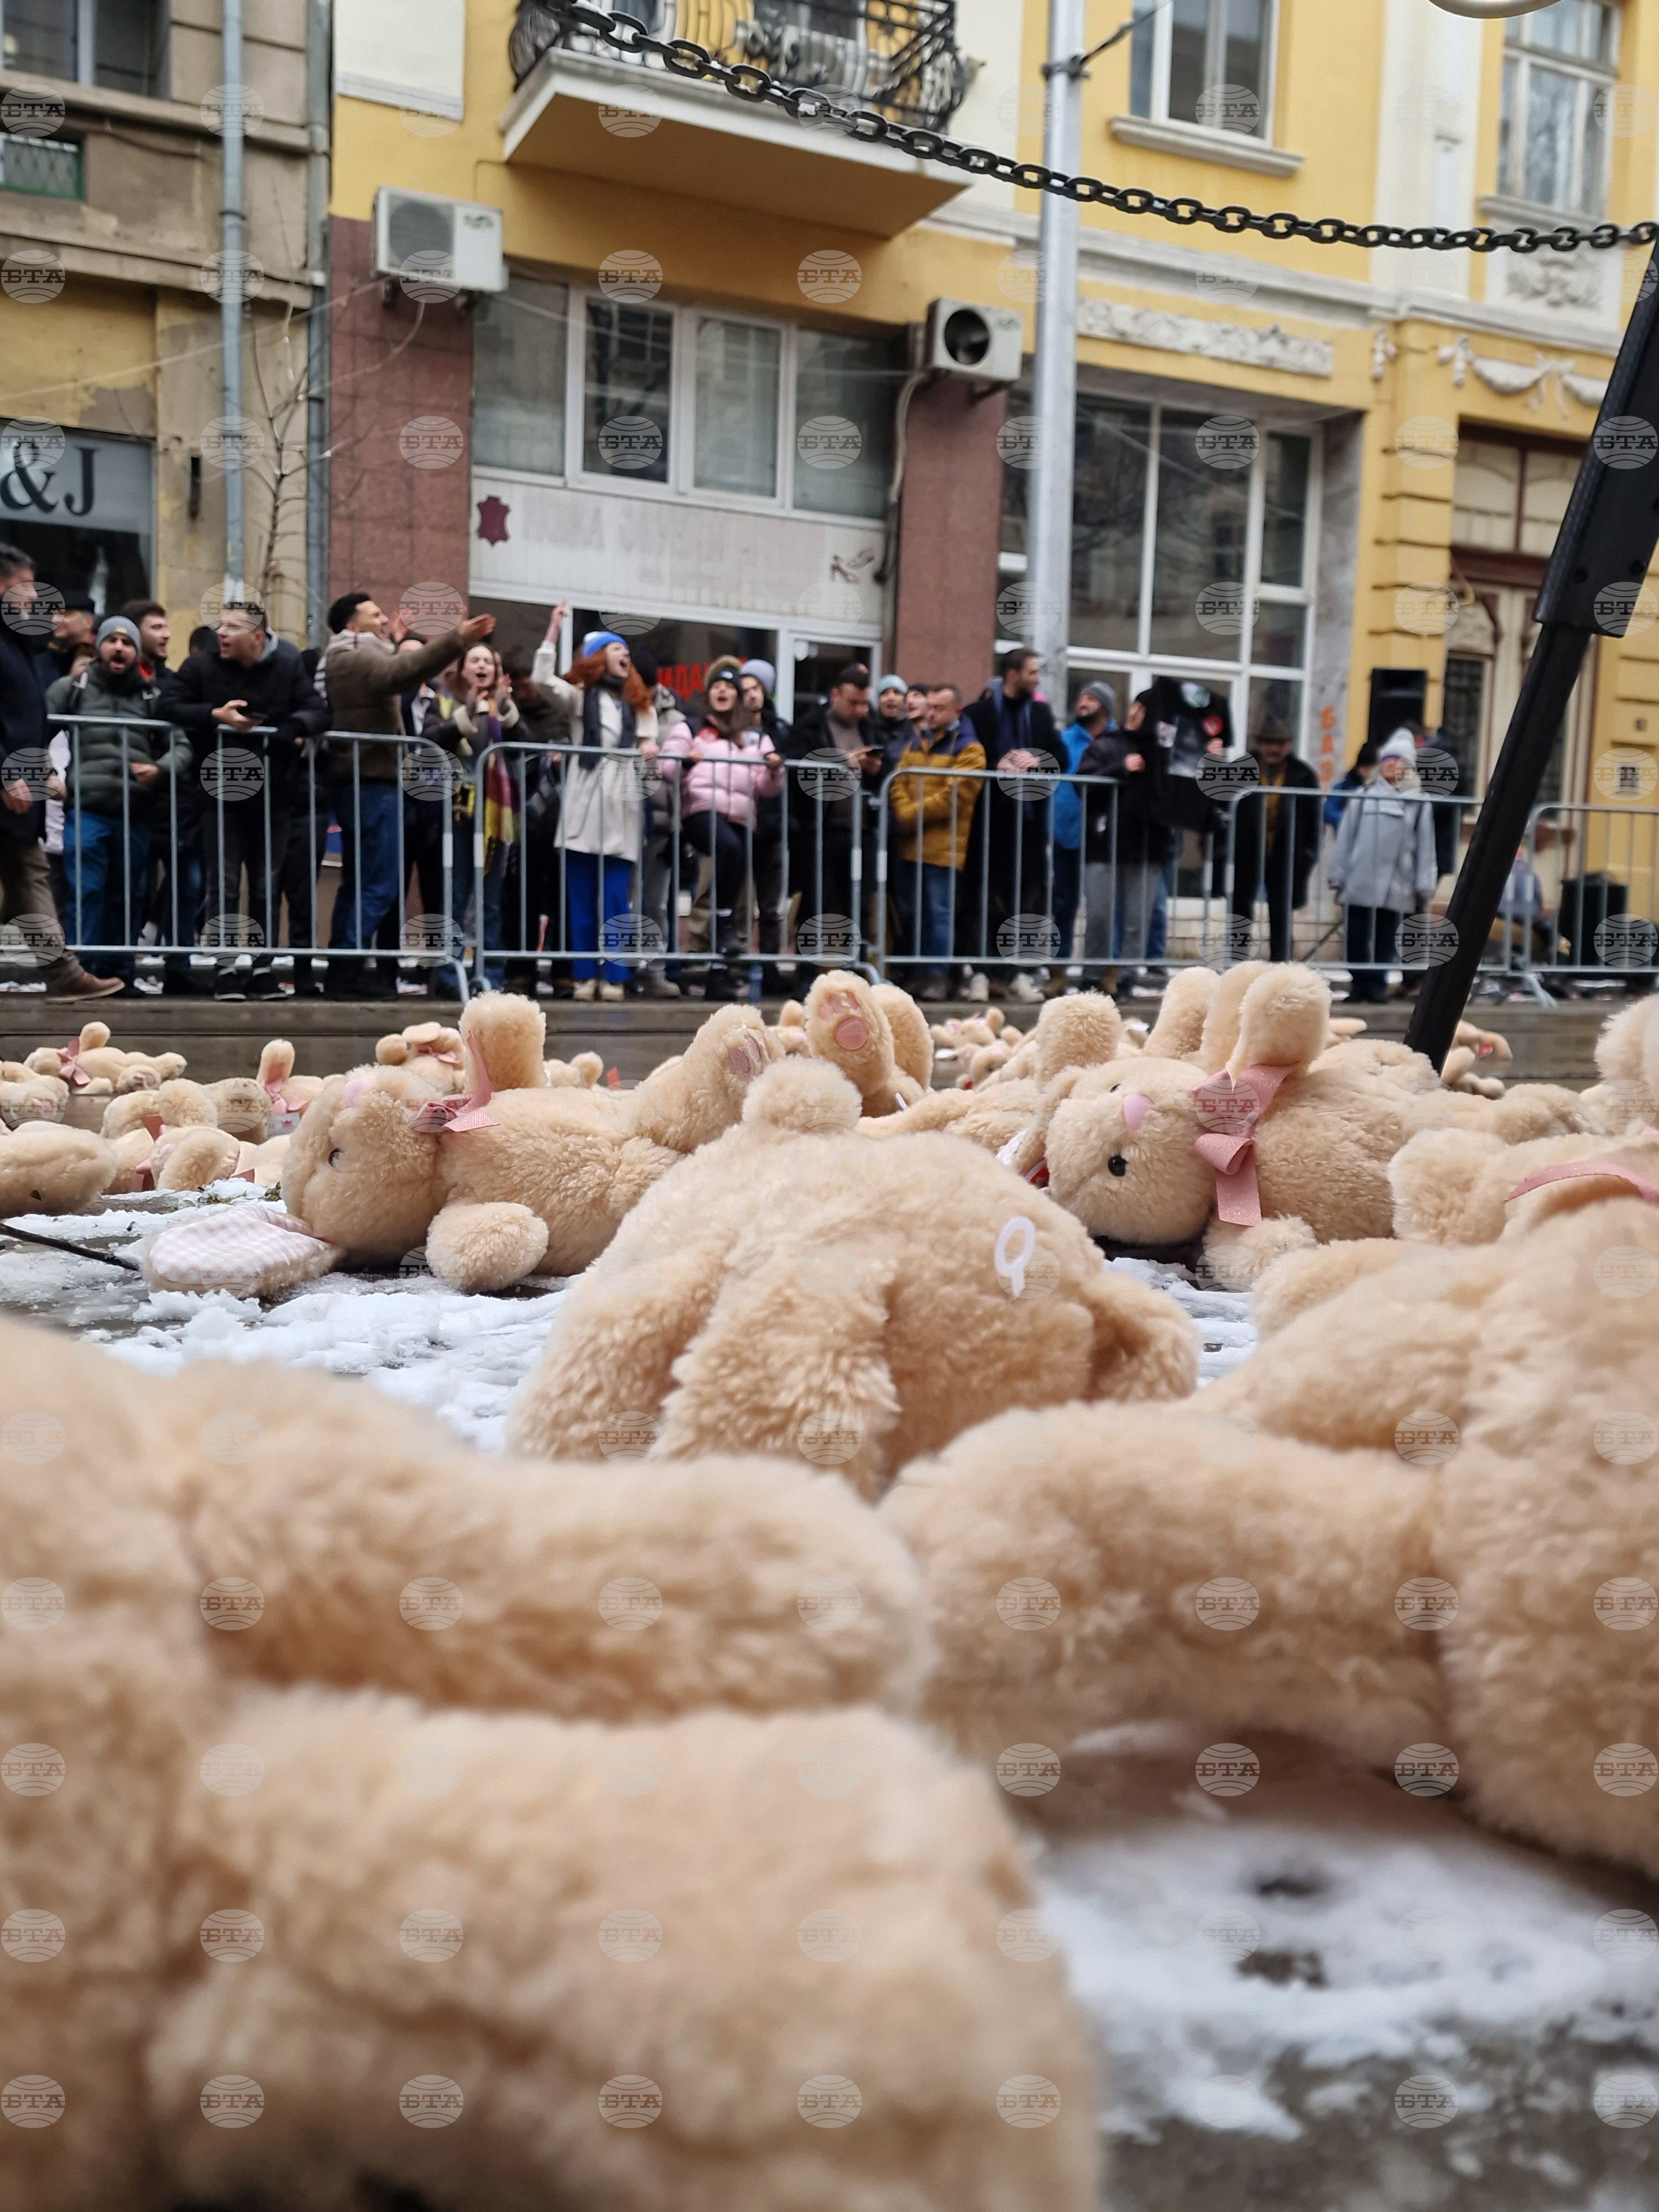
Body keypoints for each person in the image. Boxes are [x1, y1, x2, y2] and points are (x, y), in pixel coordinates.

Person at [158, 597, 331, 999]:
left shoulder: (287, 662)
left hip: (274, 796)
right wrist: (215, 715)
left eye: (232, 628)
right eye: (220, 625)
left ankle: (262, 968)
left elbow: (319, 710)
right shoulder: (201, 665)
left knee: (267, 886)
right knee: (225, 885)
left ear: (257, 637)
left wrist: (292, 726)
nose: (221, 633)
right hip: (217, 795)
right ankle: (225, 969)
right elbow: (169, 703)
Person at [320, 591, 483, 998]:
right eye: (374, 614)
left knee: (360, 883)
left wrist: (392, 641)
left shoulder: (351, 654)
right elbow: (399, 674)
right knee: (379, 884)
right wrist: (456, 639)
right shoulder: (353, 656)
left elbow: (391, 670)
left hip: (369, 781)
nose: (383, 619)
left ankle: (345, 969)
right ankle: (347, 969)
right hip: (373, 783)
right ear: (352, 626)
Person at [0, 545, 123, 997]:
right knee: (26, 878)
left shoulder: (21, 644)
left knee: (27, 877)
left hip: (20, 789)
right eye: (29, 588)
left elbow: (28, 718)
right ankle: (64, 973)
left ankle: (64, 973)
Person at [46, 617, 189, 984]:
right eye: (113, 640)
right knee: (88, 893)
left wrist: (160, 768)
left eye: (128, 642)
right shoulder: (72, 688)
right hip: (88, 810)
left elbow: (183, 746)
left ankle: (120, 975)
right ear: (99, 647)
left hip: (135, 814)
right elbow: (32, 731)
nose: (120, 647)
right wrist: (48, 776)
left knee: (127, 897)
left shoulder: (151, 696)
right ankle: (84, 974)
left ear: (136, 651)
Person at [531, 614, 660, 1002]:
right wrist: (551, 631)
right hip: (583, 807)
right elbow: (541, 680)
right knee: (581, 900)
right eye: (615, 647)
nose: (625, 654)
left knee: (617, 898)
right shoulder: (579, 698)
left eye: (626, 649)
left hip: (622, 808)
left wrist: (647, 755)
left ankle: (617, 976)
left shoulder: (641, 707)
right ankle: (586, 975)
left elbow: (649, 761)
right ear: (597, 657)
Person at [664, 658, 783, 1000]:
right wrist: (687, 760)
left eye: (730, 686)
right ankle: (724, 922)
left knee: (735, 867)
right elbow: (668, 767)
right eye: (717, 685)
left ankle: (719, 975)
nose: (722, 690)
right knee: (730, 851)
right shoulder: (691, 727)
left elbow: (767, 786)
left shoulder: (755, 737)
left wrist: (775, 770)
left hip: (742, 817)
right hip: (701, 811)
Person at [963, 647, 1061, 1002]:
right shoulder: (979, 713)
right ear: (1014, 674)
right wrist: (995, 766)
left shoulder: (1040, 713)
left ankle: (1019, 972)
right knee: (983, 899)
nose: (1037, 679)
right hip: (989, 822)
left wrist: (1037, 759)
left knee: (1028, 899)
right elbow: (966, 755)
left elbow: (1060, 757)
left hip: (1029, 824)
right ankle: (980, 972)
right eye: (1033, 672)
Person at [886, 681, 984, 999]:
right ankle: (918, 973)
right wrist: (902, 809)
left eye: (937, 708)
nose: (930, 713)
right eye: (928, 707)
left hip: (943, 847)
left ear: (956, 711)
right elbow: (897, 779)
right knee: (913, 914)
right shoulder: (918, 741)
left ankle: (938, 975)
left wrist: (909, 814)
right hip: (911, 844)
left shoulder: (970, 748)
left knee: (938, 913)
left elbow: (956, 796)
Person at [780, 662, 881, 971]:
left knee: (859, 904)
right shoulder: (811, 726)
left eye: (864, 703)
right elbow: (798, 769)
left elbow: (885, 768)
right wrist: (840, 762)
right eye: (853, 702)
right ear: (835, 695)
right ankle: (806, 973)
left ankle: (858, 969)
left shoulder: (869, 725)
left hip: (861, 830)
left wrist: (876, 769)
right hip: (821, 830)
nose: (859, 710)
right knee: (816, 903)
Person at [1330, 729, 1440, 1004]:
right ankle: (1358, 984)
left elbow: (1425, 847)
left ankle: (1377, 985)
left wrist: (1424, 883)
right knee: (1355, 935)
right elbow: (1347, 837)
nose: (1392, 764)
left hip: (1396, 881)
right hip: (1359, 879)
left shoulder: (1418, 802)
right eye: (1388, 758)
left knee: (1384, 938)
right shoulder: (1363, 795)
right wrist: (1338, 874)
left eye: (1399, 760)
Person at [1078, 689, 1173, 992]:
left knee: (1137, 921)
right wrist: (1121, 769)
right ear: (1132, 710)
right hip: (1105, 844)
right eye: (1142, 709)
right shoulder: (1106, 745)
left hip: (1147, 846)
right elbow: (1084, 785)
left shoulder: (1162, 753)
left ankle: (1127, 978)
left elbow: (1180, 787)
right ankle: (1093, 976)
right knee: (1099, 917)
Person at [1229, 720, 1322, 963]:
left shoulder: (1304, 774)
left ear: (1289, 745)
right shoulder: (1240, 769)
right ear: (1259, 743)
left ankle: (1281, 966)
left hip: (1285, 853)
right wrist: (1223, 851)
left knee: (1281, 912)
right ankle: (1236, 964)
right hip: (1246, 851)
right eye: (1268, 743)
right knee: (1240, 911)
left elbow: (1314, 819)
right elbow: (1224, 812)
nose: (1274, 749)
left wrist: (1309, 853)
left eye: (1279, 743)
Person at [1055, 681, 1115, 987]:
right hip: (1067, 831)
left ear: (1105, 706)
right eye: (1081, 697)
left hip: (1106, 837)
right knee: (1063, 903)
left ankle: (1104, 972)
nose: (1083, 703)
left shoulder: (1118, 740)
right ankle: (1058, 969)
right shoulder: (1065, 739)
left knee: (1103, 909)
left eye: (1091, 698)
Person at [739, 659, 790, 995]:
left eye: (756, 688)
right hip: (738, 825)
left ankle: (770, 967)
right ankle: (733, 968)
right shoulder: (731, 730)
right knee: (737, 901)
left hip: (770, 827)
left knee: (770, 906)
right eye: (745, 690)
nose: (751, 696)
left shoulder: (780, 730)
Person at [48, 592, 96, 682]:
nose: (55, 620)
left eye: (66, 614)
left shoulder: (102, 659)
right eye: (55, 614)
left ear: (89, 622)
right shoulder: (44, 661)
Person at [121, 599, 170, 680]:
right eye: (157, 628)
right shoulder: (115, 679)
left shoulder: (173, 683)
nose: (167, 635)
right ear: (135, 632)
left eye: (166, 628)